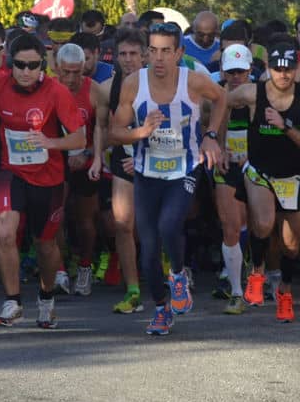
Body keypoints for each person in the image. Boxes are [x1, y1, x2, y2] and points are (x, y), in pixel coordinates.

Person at [109, 22, 225, 335]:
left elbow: (222, 98)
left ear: (179, 53)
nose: (159, 58)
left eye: (166, 51)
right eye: (154, 51)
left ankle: (176, 275)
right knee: (147, 250)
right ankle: (161, 309)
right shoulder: (134, 84)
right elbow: (115, 131)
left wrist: (211, 135)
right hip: (147, 171)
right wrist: (140, 133)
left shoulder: (194, 81)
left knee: (169, 224)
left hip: (184, 167)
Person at [0, 33, 84, 329]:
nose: (26, 71)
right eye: (20, 64)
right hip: (11, 172)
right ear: (10, 63)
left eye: (33, 65)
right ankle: (13, 301)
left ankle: (46, 298)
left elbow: (80, 138)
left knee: (45, 245)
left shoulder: (56, 92)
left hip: (49, 178)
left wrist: (50, 142)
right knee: (5, 231)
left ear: (43, 65)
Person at [226, 36, 300, 322]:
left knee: (292, 245)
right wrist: (213, 139)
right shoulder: (251, 92)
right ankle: (256, 272)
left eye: (289, 69)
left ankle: (284, 292)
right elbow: (220, 102)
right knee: (264, 222)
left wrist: (285, 126)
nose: (283, 75)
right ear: (268, 67)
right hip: (259, 170)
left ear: (295, 68)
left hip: (292, 176)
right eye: (278, 69)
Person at [98, 27, 148, 314]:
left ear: (144, 56)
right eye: (122, 54)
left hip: (157, 161)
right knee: (122, 223)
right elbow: (103, 129)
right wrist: (96, 156)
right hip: (122, 162)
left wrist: (143, 155)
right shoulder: (108, 88)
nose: (128, 60)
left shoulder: (160, 84)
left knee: (151, 226)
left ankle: (166, 269)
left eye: (133, 54)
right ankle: (132, 289)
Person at [55, 43, 107, 297]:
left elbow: (101, 128)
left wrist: (91, 155)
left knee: (87, 221)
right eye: (67, 72)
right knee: (56, 217)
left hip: (85, 162)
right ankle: (60, 269)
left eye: (78, 72)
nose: (72, 79)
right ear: (57, 69)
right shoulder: (48, 89)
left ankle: (85, 266)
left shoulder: (94, 91)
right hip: (56, 162)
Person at [212, 43, 253, 314]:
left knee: (260, 228)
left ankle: (262, 275)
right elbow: (211, 129)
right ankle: (237, 292)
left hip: (256, 165)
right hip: (227, 167)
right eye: (230, 71)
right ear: (223, 71)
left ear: (250, 69)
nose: (236, 76)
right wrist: (220, 148)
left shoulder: (260, 92)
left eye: (240, 71)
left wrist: (252, 155)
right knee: (231, 226)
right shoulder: (216, 96)